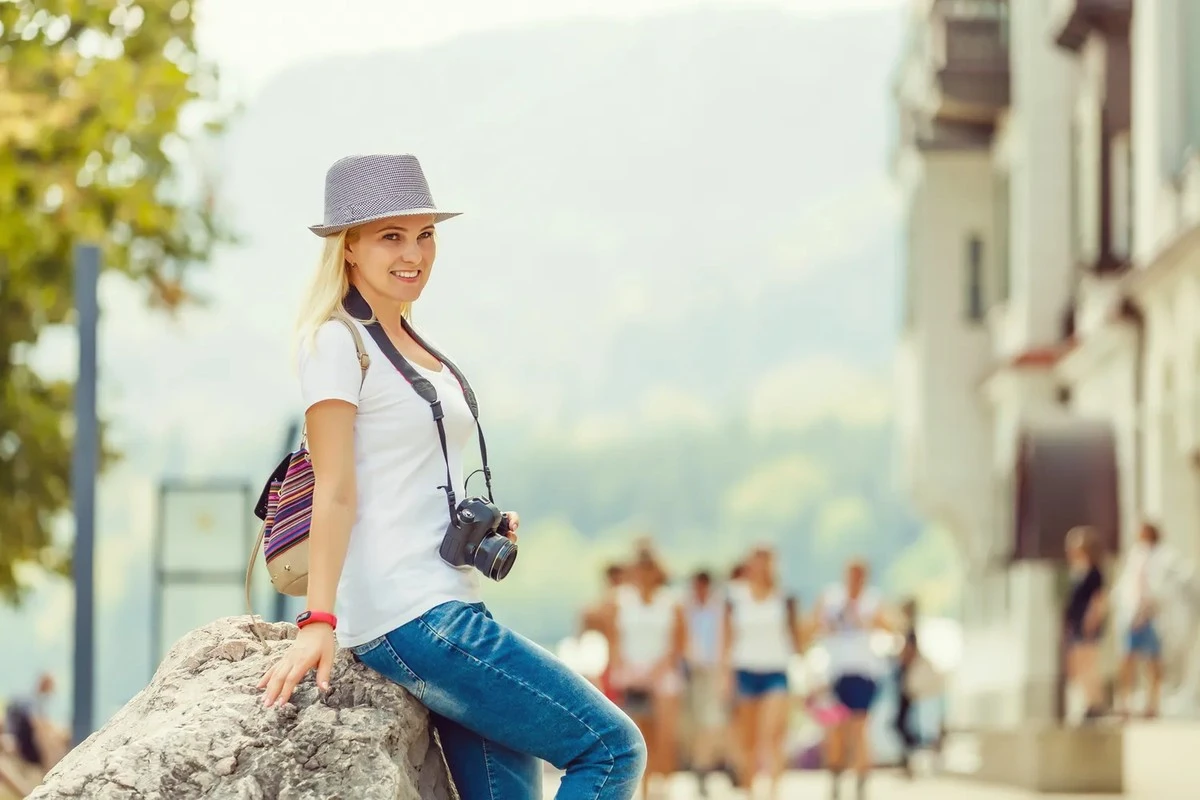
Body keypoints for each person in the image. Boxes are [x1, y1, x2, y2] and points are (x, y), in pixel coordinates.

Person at [256, 154, 646, 799]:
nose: (414, 254)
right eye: (391, 236)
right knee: (610, 749)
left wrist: (477, 520)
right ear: (348, 246)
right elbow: (336, 488)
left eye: (425, 234)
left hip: (445, 596)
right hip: (411, 613)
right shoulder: (334, 341)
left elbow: (405, 471)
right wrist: (318, 621)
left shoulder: (414, 341)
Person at [722, 546, 801, 800]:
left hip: (776, 671)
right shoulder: (735, 597)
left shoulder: (784, 598)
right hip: (745, 670)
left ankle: (773, 792)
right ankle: (750, 791)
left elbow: (797, 638)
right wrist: (725, 677)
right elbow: (726, 639)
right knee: (749, 740)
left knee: (772, 734)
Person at [609, 550, 686, 799]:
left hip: (662, 676)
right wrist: (626, 669)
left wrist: (656, 671)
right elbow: (615, 639)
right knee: (638, 737)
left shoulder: (671, 602)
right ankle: (642, 790)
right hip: (632, 675)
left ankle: (663, 787)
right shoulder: (622, 600)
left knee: (664, 736)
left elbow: (678, 643)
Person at [813, 559, 891, 800]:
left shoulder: (873, 601)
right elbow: (814, 625)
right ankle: (836, 779)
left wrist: (867, 621)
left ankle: (860, 785)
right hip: (835, 673)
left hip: (864, 673)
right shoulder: (831, 598)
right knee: (835, 732)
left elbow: (890, 627)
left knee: (859, 730)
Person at [1114, 521, 1171, 718]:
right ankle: (1125, 702)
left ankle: (1153, 704)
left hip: (1150, 616)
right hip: (1131, 615)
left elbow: (1158, 586)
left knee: (1153, 661)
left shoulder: (1161, 557)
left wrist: (1146, 610)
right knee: (1127, 659)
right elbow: (1127, 586)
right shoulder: (1135, 555)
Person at [682, 569, 728, 796]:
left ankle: (704, 766)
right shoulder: (684, 608)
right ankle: (699, 765)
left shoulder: (718, 608)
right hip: (690, 672)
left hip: (711, 671)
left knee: (710, 722)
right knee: (694, 724)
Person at [1063, 526, 1108, 722]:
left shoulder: (1095, 572)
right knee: (1079, 665)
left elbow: (1098, 599)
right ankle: (1088, 702)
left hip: (1087, 622)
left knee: (1089, 663)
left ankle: (1096, 703)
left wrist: (1093, 619)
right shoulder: (1077, 570)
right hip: (1076, 622)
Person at [892, 598, 921, 774]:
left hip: (907, 685)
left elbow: (910, 654)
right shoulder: (906, 631)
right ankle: (907, 758)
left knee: (901, 723)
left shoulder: (910, 632)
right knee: (902, 723)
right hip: (903, 684)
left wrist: (900, 658)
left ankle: (911, 755)